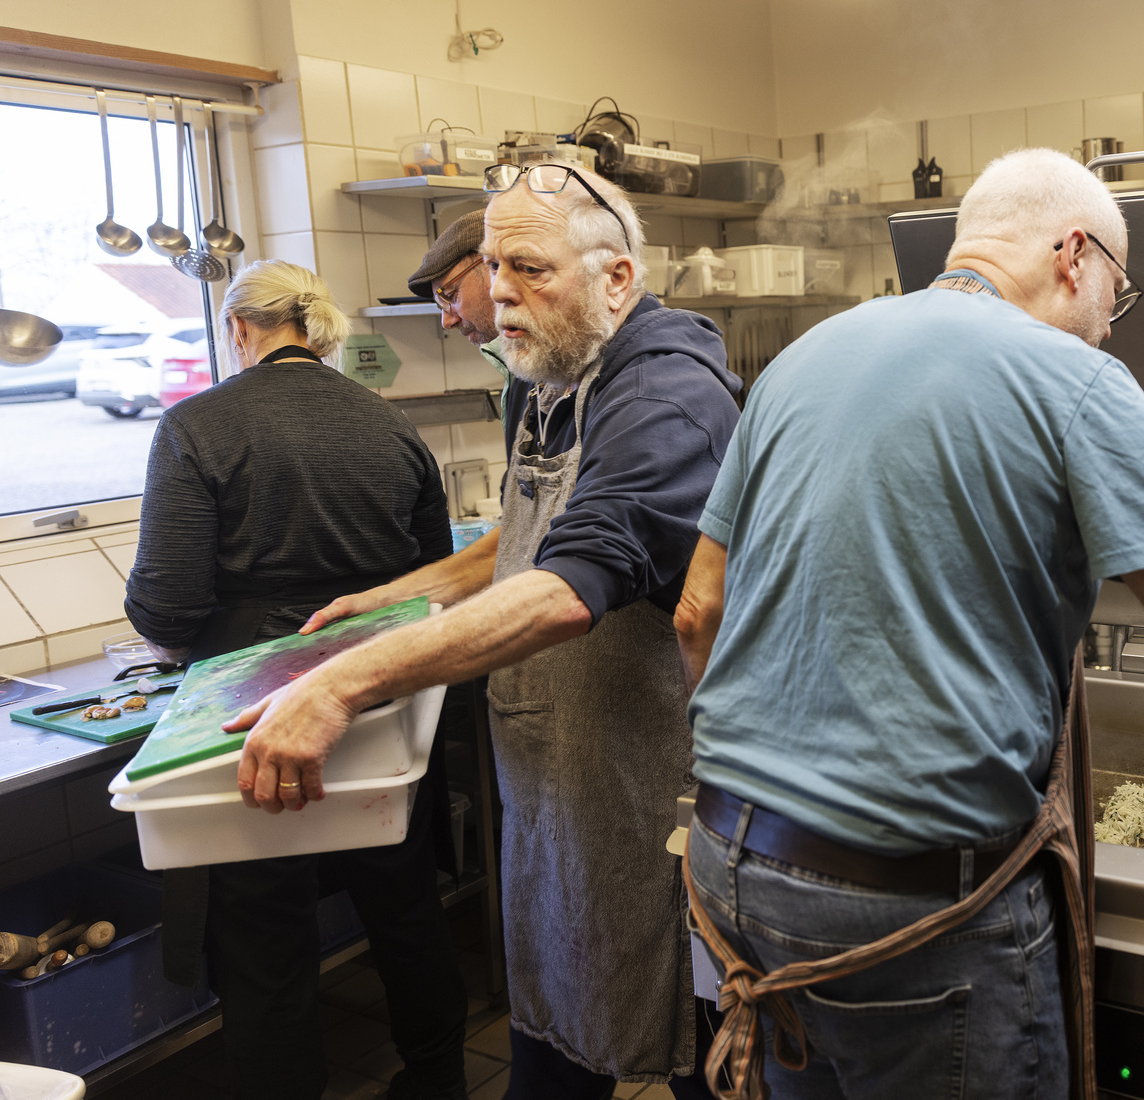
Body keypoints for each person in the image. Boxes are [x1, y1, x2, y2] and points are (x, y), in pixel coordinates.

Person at [673, 147, 1144, 1098]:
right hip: (910, 912)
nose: (1112, 323)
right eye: (1119, 290)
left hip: (728, 867)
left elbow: (699, 612)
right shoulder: (1074, 380)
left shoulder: (800, 359)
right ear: (1075, 253)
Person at [221, 162, 743, 1098]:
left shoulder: (666, 390)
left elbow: (570, 584)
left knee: (696, 1033)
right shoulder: (548, 372)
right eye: (493, 264)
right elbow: (526, 530)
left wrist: (342, 681)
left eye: (530, 268)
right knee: (555, 1021)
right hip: (558, 777)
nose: (499, 291)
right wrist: (399, 596)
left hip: (650, 779)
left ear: (617, 277)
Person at [124, 261, 467, 1100]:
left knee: (264, 932)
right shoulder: (387, 423)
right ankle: (437, 1081)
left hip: (256, 705)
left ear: (239, 329)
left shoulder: (197, 426)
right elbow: (435, 574)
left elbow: (166, 607)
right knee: (404, 905)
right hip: (379, 687)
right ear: (316, 333)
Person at [409, 208, 511, 385]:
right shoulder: (521, 371)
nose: (447, 322)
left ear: (494, 267)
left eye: (451, 295)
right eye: (441, 305)